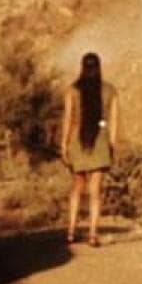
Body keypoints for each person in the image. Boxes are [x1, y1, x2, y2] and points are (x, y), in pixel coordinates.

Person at [59, 51, 117, 246]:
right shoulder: (110, 90)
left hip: (78, 142)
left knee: (76, 188)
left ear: (83, 68)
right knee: (95, 191)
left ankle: (71, 232)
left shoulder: (72, 90)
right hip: (100, 142)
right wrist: (112, 144)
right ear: (99, 68)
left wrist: (64, 144)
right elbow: (113, 121)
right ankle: (93, 234)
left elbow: (68, 119)